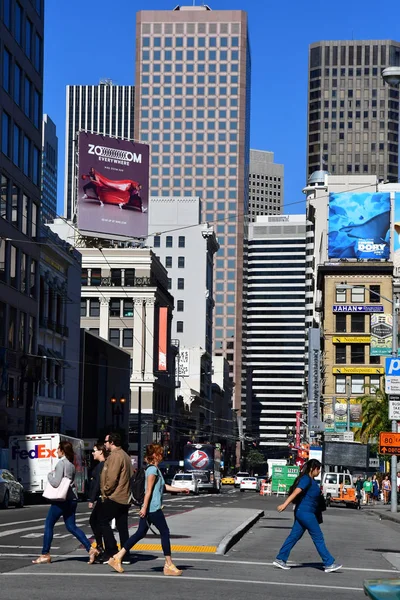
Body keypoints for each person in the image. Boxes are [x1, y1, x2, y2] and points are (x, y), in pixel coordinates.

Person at [108, 443, 190, 575]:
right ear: (153, 455)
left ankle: (117, 557)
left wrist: (181, 489)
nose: (161, 455)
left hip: (151, 507)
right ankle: (168, 564)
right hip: (152, 508)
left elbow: (164, 487)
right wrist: (144, 508)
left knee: (140, 533)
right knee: (165, 532)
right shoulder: (152, 470)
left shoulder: (155, 470)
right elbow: (148, 491)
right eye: (159, 453)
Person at [32, 441, 98, 565]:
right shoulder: (71, 465)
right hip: (72, 499)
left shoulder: (61, 464)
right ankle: (90, 549)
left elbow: (56, 483)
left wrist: (49, 475)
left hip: (61, 499)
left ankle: (45, 554)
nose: (56, 451)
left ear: (62, 450)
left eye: (58, 449)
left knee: (49, 524)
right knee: (71, 526)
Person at [273, 459, 341, 573]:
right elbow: (296, 492)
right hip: (306, 513)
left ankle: (280, 559)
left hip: (304, 512)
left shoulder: (311, 481)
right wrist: (285, 504)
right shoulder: (306, 479)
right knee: (318, 537)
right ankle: (329, 563)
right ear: (312, 469)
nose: (319, 471)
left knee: (294, 536)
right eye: (318, 469)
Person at [99, 432, 132, 564]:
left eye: (106, 442)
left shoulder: (115, 456)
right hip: (125, 497)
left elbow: (112, 478)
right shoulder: (125, 455)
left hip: (115, 496)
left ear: (112, 442)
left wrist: (106, 490)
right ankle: (125, 555)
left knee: (101, 521)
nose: (105, 444)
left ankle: (112, 551)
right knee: (122, 526)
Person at [88, 442, 108, 562]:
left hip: (102, 498)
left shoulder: (101, 465)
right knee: (98, 522)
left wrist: (92, 499)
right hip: (102, 498)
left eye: (94, 450)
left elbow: (97, 484)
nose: (92, 453)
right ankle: (101, 546)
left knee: (96, 521)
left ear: (101, 451)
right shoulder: (102, 465)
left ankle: (101, 547)